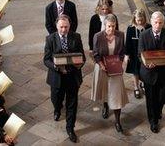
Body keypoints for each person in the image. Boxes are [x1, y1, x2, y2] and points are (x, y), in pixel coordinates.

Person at [43, 14, 85, 143]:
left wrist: (80, 63)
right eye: (61, 27)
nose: (63, 30)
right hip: (57, 77)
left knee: (72, 103)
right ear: (57, 26)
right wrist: (56, 67)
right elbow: (46, 59)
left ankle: (70, 128)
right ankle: (57, 109)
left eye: (66, 27)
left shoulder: (76, 37)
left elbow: (82, 56)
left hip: (72, 76)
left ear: (69, 26)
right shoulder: (50, 39)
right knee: (56, 99)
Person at [138, 11, 165, 133]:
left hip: (164, 71)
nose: (158, 25)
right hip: (149, 73)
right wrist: (147, 64)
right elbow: (140, 54)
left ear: (163, 23)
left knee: (163, 96)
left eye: (160, 23)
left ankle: (157, 111)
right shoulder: (144, 35)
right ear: (151, 22)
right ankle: (153, 121)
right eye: (155, 22)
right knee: (151, 98)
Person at [91, 14, 128, 133]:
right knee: (105, 90)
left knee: (116, 96)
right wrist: (102, 65)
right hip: (102, 67)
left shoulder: (121, 35)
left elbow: (122, 52)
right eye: (109, 26)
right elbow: (95, 54)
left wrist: (120, 64)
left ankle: (118, 121)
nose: (111, 29)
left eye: (113, 26)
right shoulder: (98, 36)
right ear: (104, 25)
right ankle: (105, 105)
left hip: (115, 68)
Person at [125, 9, 151, 99]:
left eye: (141, 20)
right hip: (134, 53)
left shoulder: (148, 27)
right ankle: (136, 87)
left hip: (144, 54)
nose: (139, 22)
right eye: (137, 20)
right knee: (135, 71)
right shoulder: (130, 28)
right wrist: (127, 55)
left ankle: (143, 84)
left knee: (144, 70)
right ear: (134, 19)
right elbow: (127, 42)